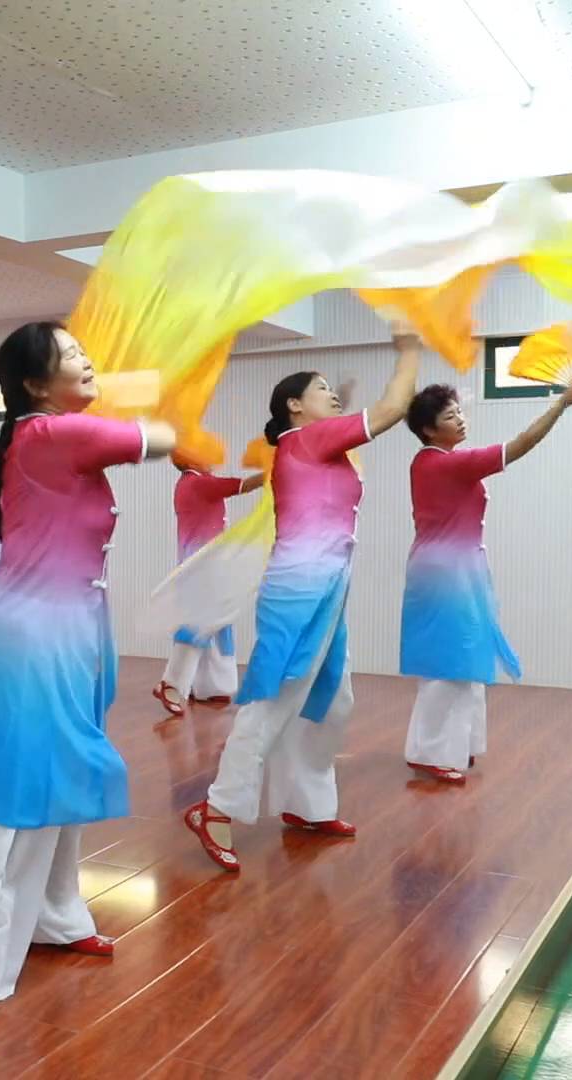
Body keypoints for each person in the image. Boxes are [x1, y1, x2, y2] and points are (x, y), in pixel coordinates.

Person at [0, 322, 176, 1018]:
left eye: (86, 353)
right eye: (72, 357)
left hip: (76, 627)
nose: (88, 363)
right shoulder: (48, 435)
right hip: (30, 636)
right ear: (35, 383)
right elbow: (159, 438)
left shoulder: (49, 436)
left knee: (59, 778)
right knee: (5, 799)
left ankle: (55, 918)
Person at [182, 329, 421, 874]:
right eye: (320, 388)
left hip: (330, 587)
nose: (331, 395)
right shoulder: (304, 441)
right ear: (294, 406)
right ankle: (216, 807)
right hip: (298, 589)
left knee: (333, 702)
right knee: (274, 700)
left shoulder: (320, 446)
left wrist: (343, 400)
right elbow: (390, 409)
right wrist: (409, 349)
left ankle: (307, 806)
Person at [400, 378, 572, 781]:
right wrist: (562, 404)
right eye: (450, 415)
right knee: (451, 663)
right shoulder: (445, 463)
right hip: (444, 574)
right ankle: (431, 751)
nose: (461, 419)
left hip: (456, 569)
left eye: (460, 411)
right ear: (429, 429)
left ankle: (450, 747)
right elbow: (521, 444)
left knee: (464, 657)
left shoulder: (432, 461)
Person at [153, 456, 264, 717]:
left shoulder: (187, 484)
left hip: (203, 564)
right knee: (199, 625)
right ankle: (172, 683)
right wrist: (273, 470)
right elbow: (244, 485)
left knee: (214, 624)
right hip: (203, 567)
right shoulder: (198, 484)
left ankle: (210, 686)